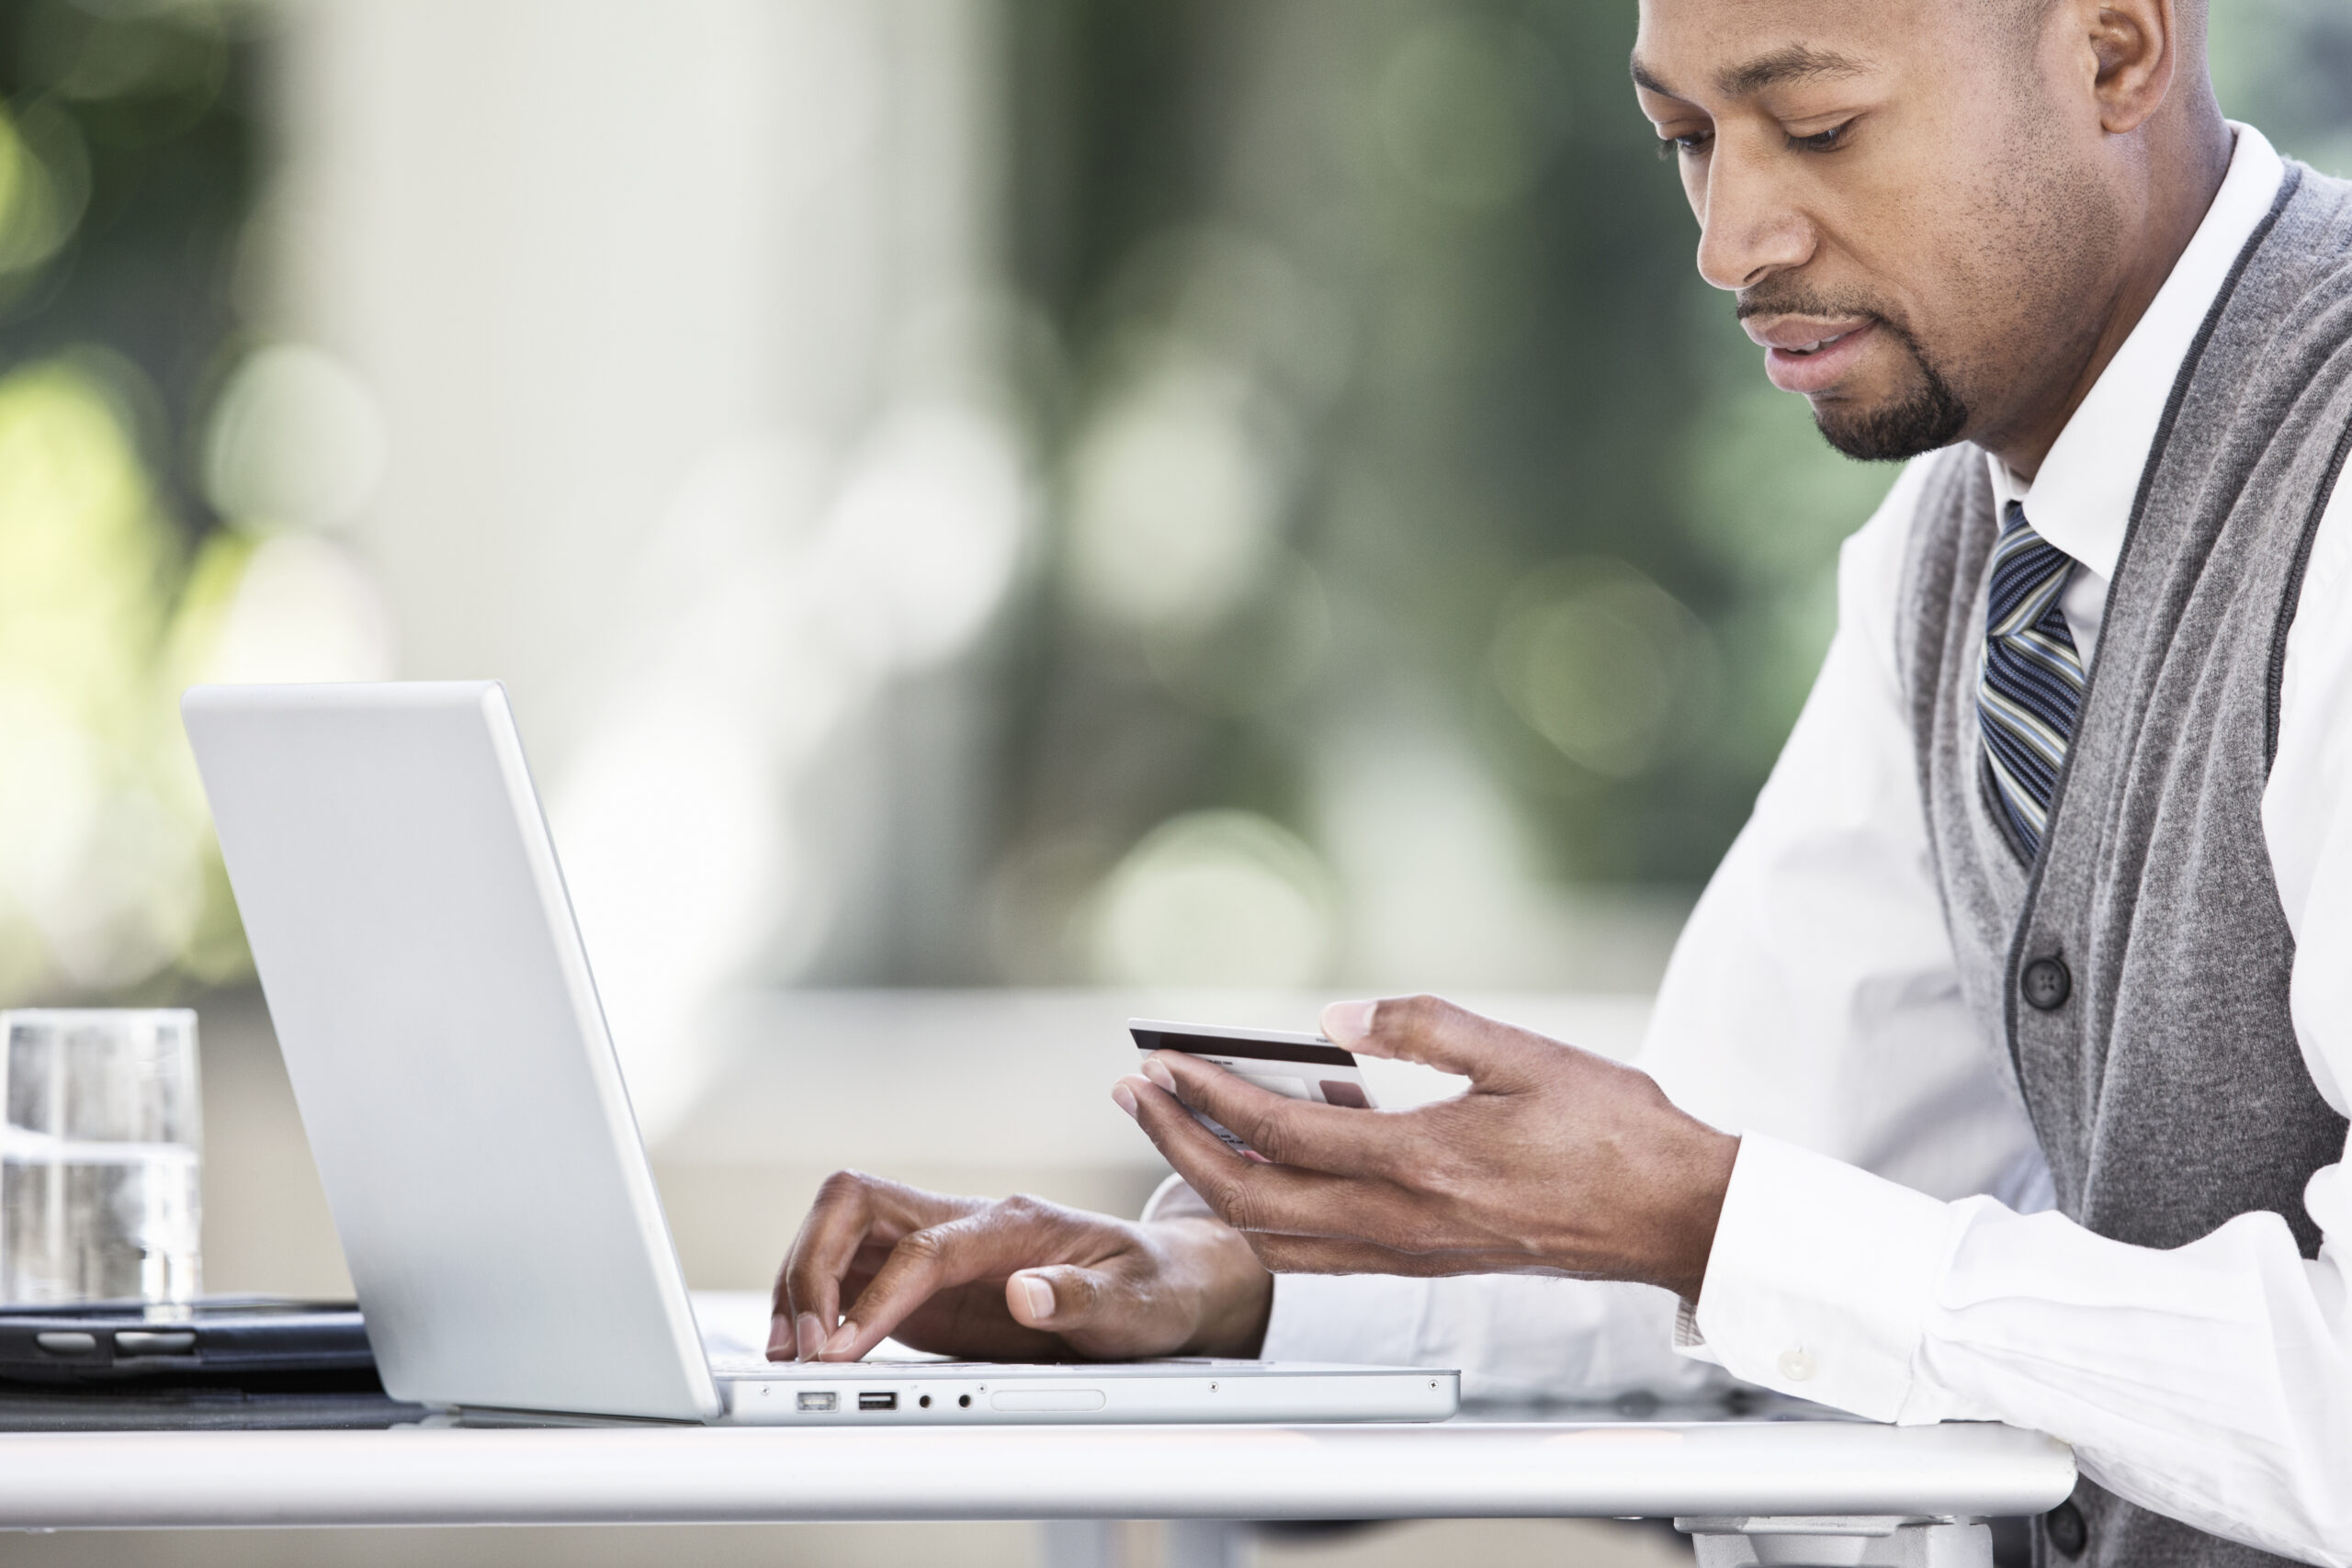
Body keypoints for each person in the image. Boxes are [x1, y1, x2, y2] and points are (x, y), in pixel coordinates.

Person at [768, 0, 2352, 1562]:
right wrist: (1226, 1286)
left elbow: (1743, 1223)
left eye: (1818, 128)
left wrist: (1705, 1216)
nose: (1731, 244)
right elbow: (1769, 1187)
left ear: (2114, 50)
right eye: (1685, 141)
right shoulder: (1954, 563)